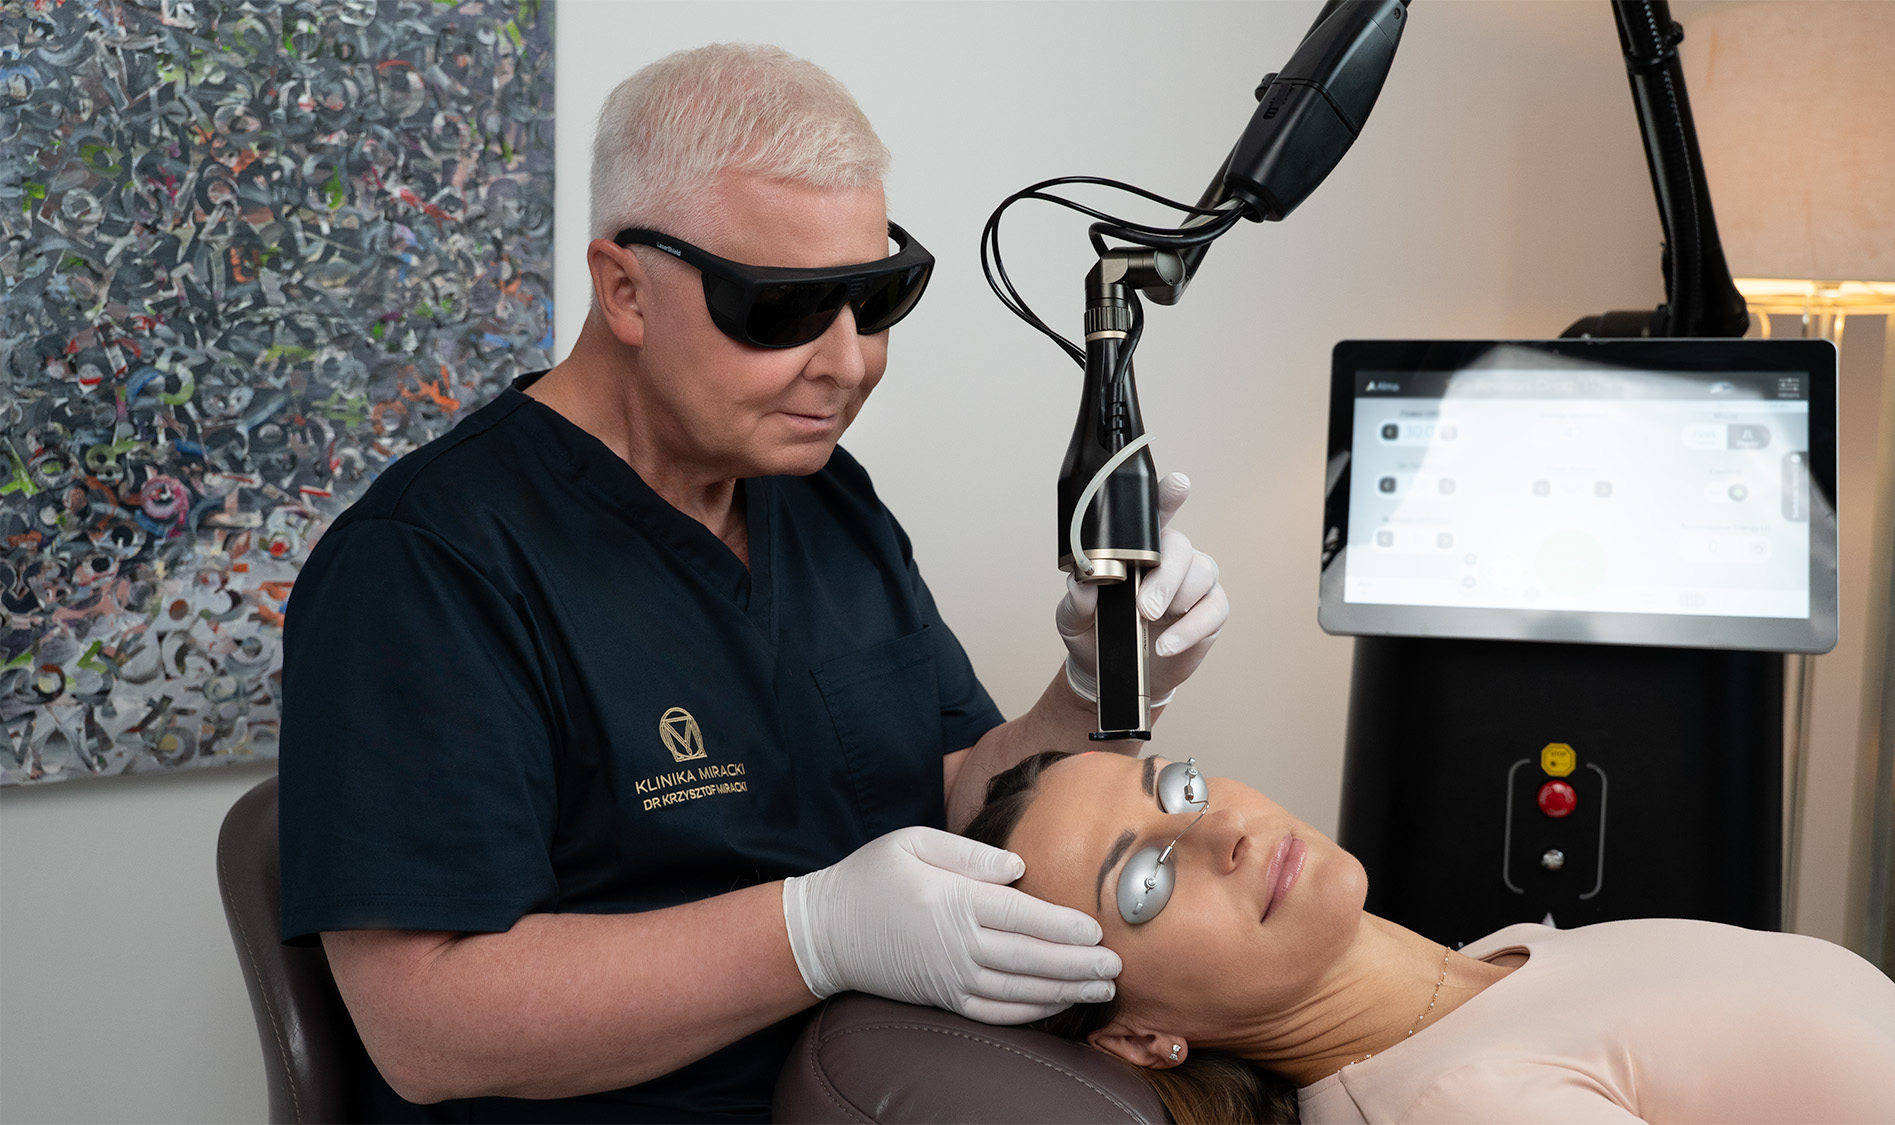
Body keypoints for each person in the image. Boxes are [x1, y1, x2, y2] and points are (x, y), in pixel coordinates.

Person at [278, 44, 1230, 1122]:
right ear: (625, 289)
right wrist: (812, 934)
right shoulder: (426, 567)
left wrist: (1100, 685)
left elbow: (967, 802)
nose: (847, 364)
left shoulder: (822, 499)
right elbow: (427, 1029)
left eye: (876, 298)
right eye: (783, 312)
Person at [964, 750, 1895, 1125]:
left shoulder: (1498, 960)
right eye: (1145, 879)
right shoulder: (1459, 1104)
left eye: (1179, 785)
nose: (1220, 827)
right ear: (1139, 1037)